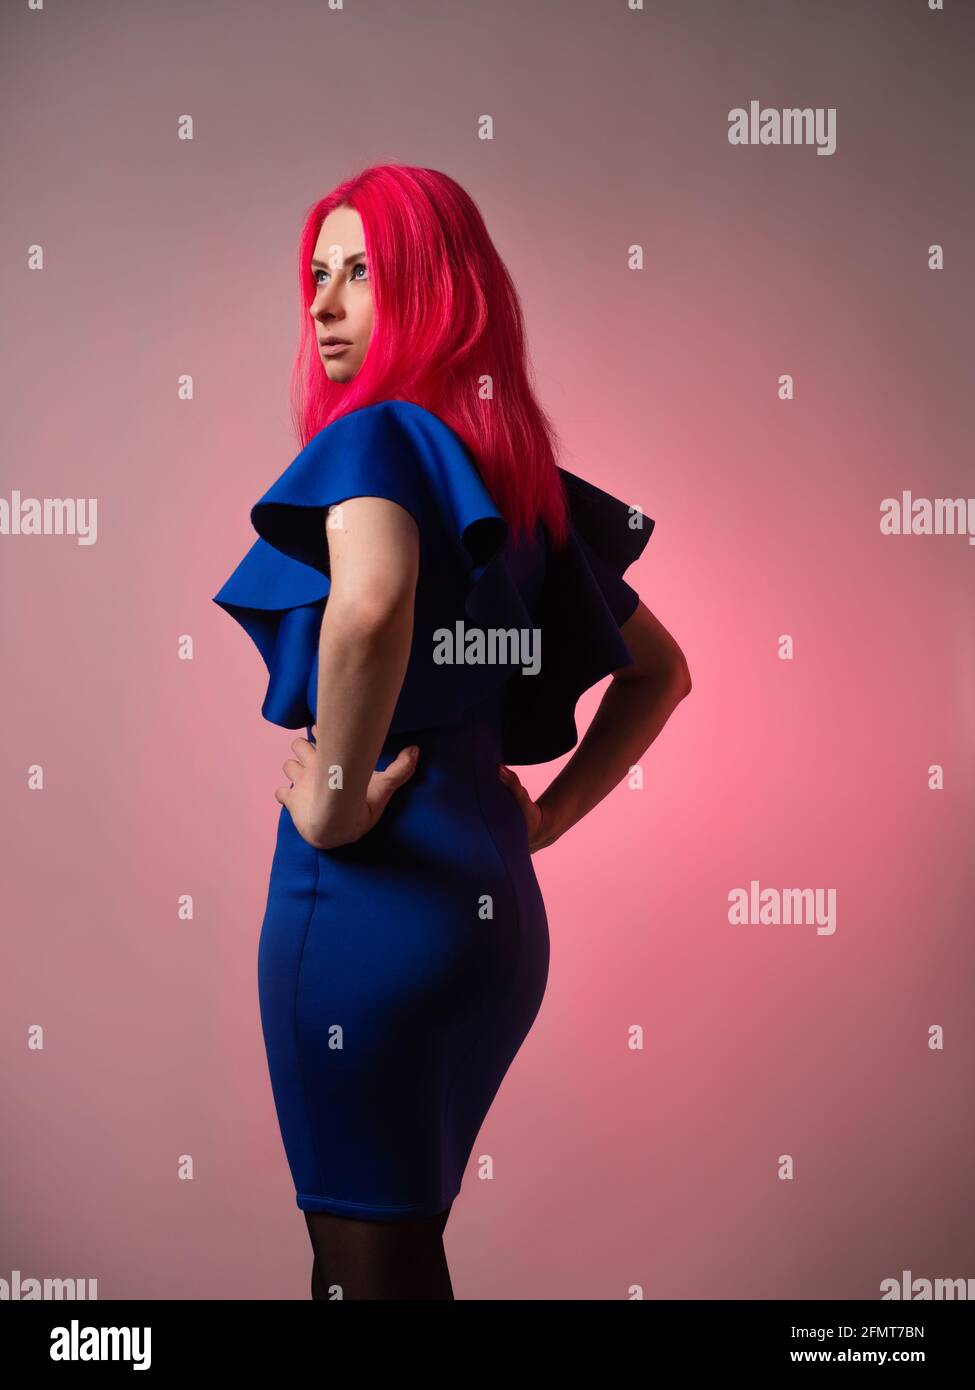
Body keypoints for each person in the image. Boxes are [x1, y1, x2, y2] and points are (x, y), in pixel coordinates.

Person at [213, 164, 691, 1300]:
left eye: (361, 273)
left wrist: (330, 795)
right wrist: (552, 817)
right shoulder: (515, 479)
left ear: (432, 287)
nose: (323, 306)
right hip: (492, 930)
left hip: (369, 915)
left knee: (361, 1272)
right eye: (315, 277)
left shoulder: (378, 438)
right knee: (397, 1258)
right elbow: (663, 674)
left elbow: (372, 601)